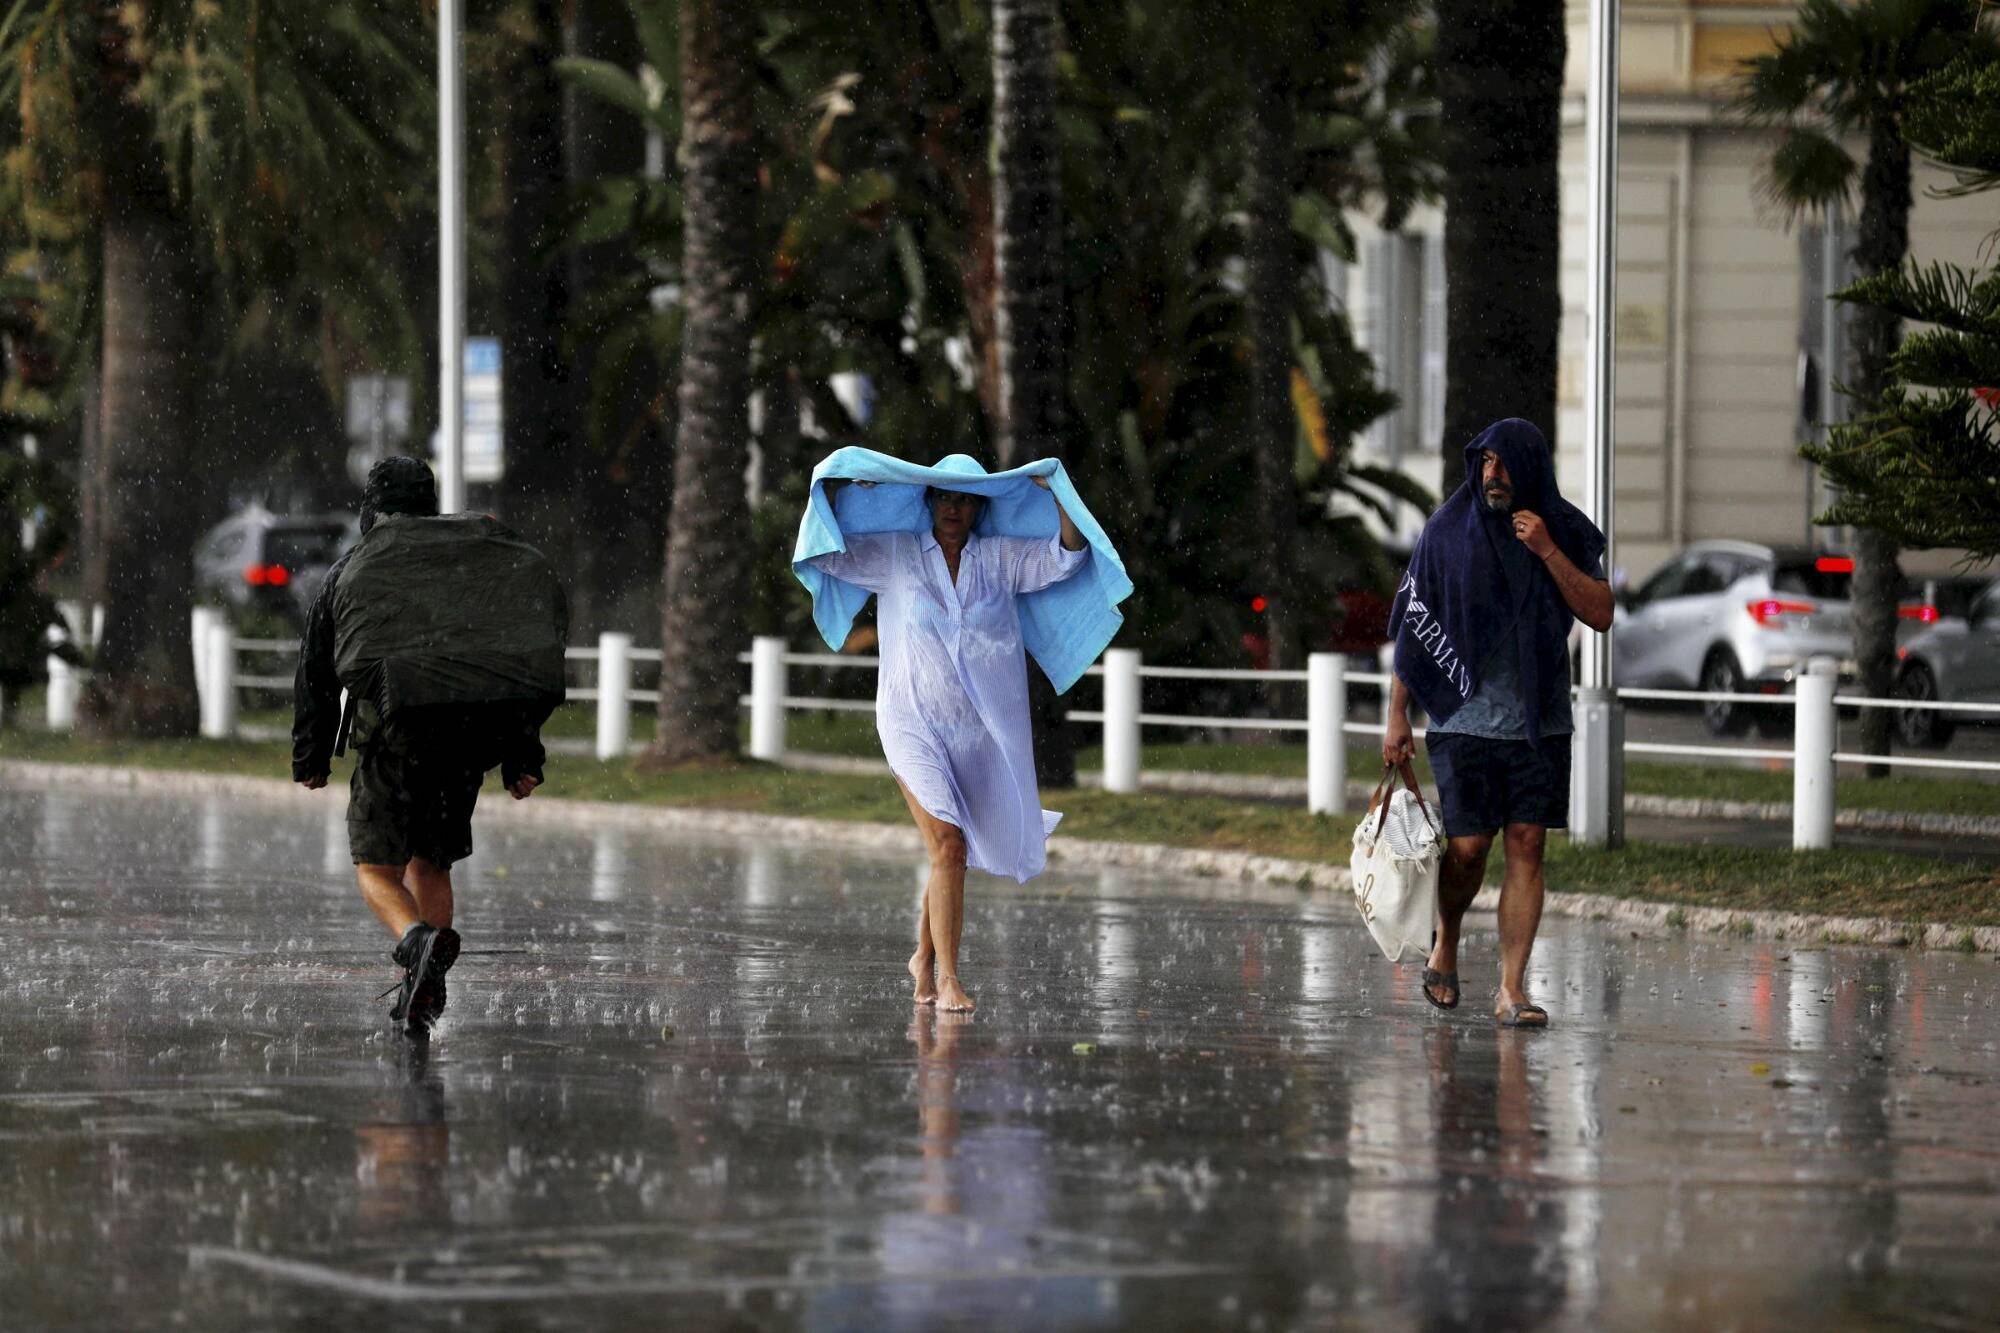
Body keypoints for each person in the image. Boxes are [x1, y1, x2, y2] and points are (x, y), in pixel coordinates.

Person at [803, 459, 1094, 1012]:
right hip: (911, 721)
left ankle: (922, 957)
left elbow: (1067, 558)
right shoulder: (897, 554)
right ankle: (948, 980)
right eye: (943, 498)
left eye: (963, 499)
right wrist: (838, 492)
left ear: (979, 506)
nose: (953, 508)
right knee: (950, 844)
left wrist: (1058, 494)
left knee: (949, 854)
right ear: (928, 502)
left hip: (979, 732)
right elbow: (825, 554)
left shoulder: (1000, 559)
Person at [292, 457, 556, 1034]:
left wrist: (310, 756)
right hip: (467, 742)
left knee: (376, 867)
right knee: (432, 864)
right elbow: (504, 666)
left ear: (373, 507)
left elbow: (316, 672)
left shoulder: (353, 569)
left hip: (393, 738)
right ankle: (428, 984)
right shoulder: (470, 571)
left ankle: (415, 944)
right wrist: (521, 757)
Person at [1383, 419, 1612, 1028]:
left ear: (1529, 468)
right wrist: (1397, 713)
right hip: (1463, 721)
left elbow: (1601, 612)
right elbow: (1415, 625)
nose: (1492, 475)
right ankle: (1448, 940)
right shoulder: (1447, 532)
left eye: (1504, 464)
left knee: (1528, 846)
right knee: (1468, 848)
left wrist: (1547, 550)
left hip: (1540, 722)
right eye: (1485, 463)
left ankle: (1512, 989)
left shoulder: (1560, 529)